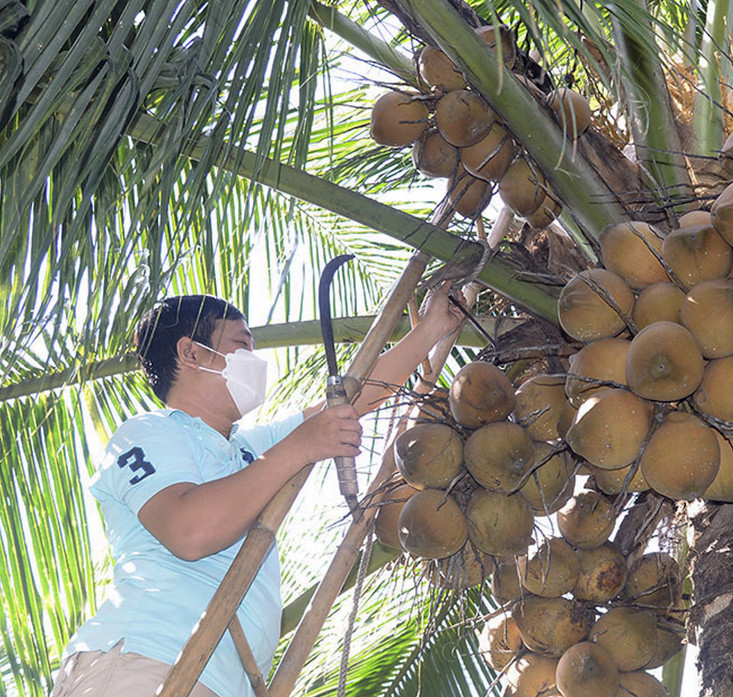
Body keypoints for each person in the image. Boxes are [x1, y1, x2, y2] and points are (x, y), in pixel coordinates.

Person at [50, 285, 465, 697]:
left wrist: (431, 329)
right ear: (190, 353)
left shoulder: (250, 450)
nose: (255, 360)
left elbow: (357, 397)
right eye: (241, 345)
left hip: (217, 683)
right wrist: (302, 445)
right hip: (143, 662)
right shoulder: (147, 432)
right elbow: (189, 530)